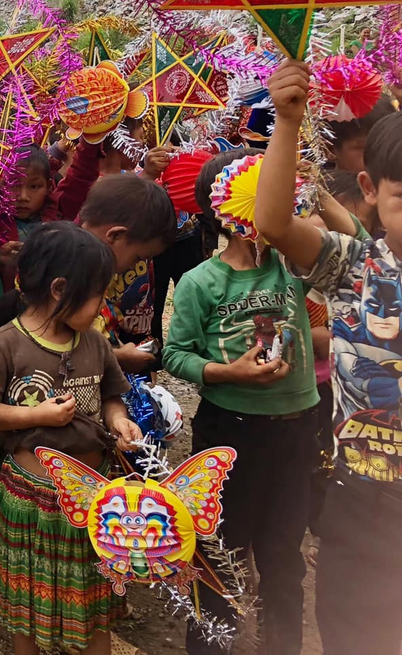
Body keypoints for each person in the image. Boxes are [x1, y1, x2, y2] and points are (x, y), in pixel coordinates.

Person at [256, 61, 402, 655]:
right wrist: (288, 124)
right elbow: (273, 223)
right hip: (361, 503)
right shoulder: (355, 266)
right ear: (370, 189)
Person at [163, 148, 317, 654]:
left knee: (283, 557)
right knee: (219, 555)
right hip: (229, 432)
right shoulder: (200, 282)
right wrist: (228, 372)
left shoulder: (293, 267)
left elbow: (340, 242)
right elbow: (176, 353)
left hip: (294, 430)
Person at [0, 222, 141, 655]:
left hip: (92, 496)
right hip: (30, 498)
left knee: (92, 596)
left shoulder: (94, 343)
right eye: (97, 295)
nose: (102, 306)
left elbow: (111, 396)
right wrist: (36, 415)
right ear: (60, 289)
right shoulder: (4, 344)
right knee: (27, 600)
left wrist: (120, 422)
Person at [77, 173, 176, 375]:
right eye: (138, 258)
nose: (135, 266)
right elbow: (56, 348)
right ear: (115, 235)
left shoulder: (94, 271)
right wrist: (117, 357)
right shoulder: (69, 275)